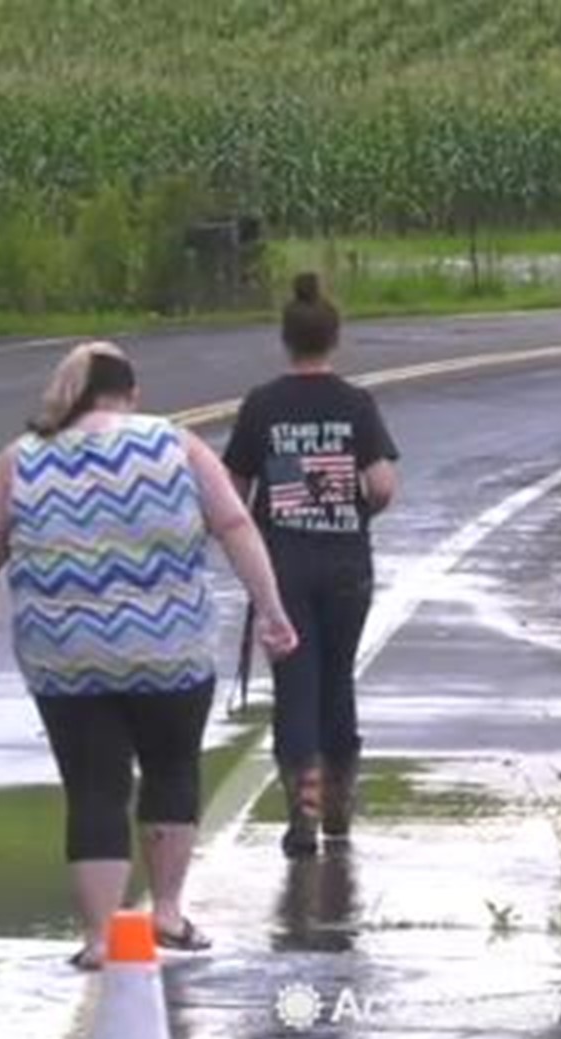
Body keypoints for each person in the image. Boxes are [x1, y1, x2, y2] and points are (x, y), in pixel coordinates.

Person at [0, 341, 297, 967]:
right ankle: (166, 913)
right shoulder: (175, 444)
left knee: (94, 789)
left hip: (66, 655)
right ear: (132, 394)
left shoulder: (21, 459)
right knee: (171, 771)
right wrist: (272, 613)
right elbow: (235, 526)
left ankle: (99, 939)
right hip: (171, 647)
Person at [223, 273, 399, 858]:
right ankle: (339, 802)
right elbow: (381, 486)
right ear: (334, 338)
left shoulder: (261, 405)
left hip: (283, 566)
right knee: (338, 678)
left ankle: (303, 803)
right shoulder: (356, 404)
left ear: (285, 339)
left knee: (295, 684)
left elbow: (232, 491)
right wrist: (348, 505)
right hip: (347, 560)